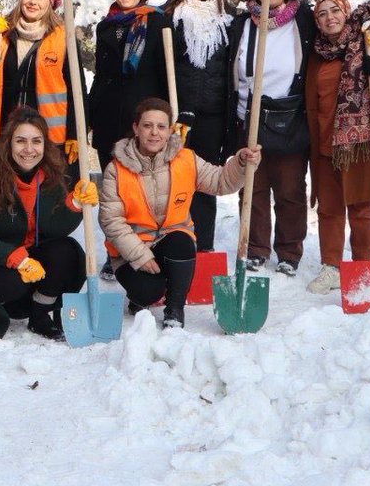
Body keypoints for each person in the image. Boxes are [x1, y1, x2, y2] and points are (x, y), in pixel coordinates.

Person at [100, 97, 261, 328]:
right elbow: (111, 221)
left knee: (183, 242)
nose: (154, 133)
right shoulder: (116, 169)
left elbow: (220, 182)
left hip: (171, 240)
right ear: (136, 128)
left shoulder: (185, 159)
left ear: (170, 130)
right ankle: (140, 297)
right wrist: (139, 255)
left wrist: (241, 164)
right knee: (148, 292)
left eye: (161, 126)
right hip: (130, 249)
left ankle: (175, 310)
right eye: (147, 125)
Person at [305, 0, 370, 295]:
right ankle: (331, 267)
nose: (329, 17)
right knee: (329, 209)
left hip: (362, 142)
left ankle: (362, 266)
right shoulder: (316, 52)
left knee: (363, 208)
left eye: (334, 10)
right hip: (324, 143)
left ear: (345, 11)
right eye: (321, 14)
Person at [0, 107, 95, 341]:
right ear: (9, 144)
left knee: (68, 252)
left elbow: (55, 229)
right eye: (20, 141)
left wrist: (75, 204)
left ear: (45, 145)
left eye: (36, 141)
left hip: (33, 263)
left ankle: (40, 314)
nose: (29, 149)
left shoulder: (51, 176)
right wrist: (16, 258)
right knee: (15, 281)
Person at [226, 0, 315, 275]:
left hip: (289, 116)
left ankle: (289, 251)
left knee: (290, 190)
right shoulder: (242, 24)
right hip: (248, 117)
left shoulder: (304, 18)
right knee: (253, 189)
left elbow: (340, 20)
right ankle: (255, 248)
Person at [161, 0, 232, 251]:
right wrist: (176, 109)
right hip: (176, 116)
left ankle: (203, 249)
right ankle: (170, 246)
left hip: (213, 117)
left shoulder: (230, 18)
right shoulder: (169, 17)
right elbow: (164, 68)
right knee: (171, 184)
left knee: (205, 185)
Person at [0, 0, 85, 161]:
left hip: (49, 136)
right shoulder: (3, 37)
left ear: (50, 4)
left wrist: (75, 132)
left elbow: (77, 90)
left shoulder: (64, 39)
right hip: (8, 132)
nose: (33, 1)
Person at [89, 0, 171, 170]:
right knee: (110, 185)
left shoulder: (157, 22)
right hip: (107, 118)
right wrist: (90, 113)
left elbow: (167, 74)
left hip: (141, 119)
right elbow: (100, 74)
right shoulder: (105, 26)